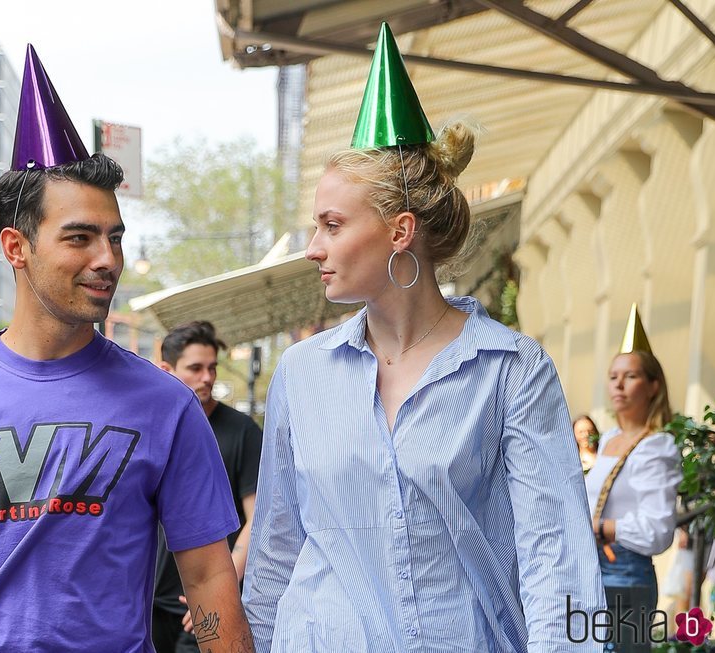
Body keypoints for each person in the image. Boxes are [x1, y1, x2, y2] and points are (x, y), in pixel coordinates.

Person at [0, 45, 253, 653]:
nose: (108, 260)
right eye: (80, 238)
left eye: (115, 237)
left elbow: (207, 575)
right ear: (16, 247)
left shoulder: (166, 405)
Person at [241, 22, 605, 653]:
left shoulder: (509, 369)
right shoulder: (302, 374)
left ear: (400, 231)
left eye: (331, 225)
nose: (313, 248)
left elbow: (558, 555)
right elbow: (279, 545)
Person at [152, 321, 263, 653]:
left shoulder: (241, 429)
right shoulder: (151, 424)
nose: (208, 378)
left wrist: (222, 590)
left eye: (212, 368)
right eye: (196, 368)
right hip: (150, 601)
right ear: (166, 370)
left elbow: (257, 518)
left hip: (205, 604)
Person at [584, 304, 682, 652]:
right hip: (589, 572)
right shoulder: (608, 439)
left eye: (631, 376)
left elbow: (659, 529)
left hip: (627, 574)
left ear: (653, 386)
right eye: (613, 376)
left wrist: (603, 528)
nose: (619, 385)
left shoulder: (657, 446)